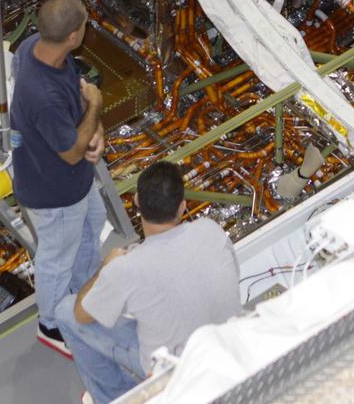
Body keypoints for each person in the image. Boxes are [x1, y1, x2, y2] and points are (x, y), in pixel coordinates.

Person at [55, 161, 241, 403]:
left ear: (136, 201)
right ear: (182, 206)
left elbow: (81, 314)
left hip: (175, 373)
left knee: (65, 311)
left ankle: (113, 397)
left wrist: (104, 269)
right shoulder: (211, 230)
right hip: (227, 349)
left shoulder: (126, 267)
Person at [10, 0, 106, 357]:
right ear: (73, 36)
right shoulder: (43, 97)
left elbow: (75, 98)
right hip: (56, 193)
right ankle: (51, 325)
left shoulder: (33, 48)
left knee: (91, 228)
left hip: (74, 182)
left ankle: (83, 296)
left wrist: (95, 130)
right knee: (56, 258)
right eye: (84, 25)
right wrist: (96, 106)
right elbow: (71, 152)